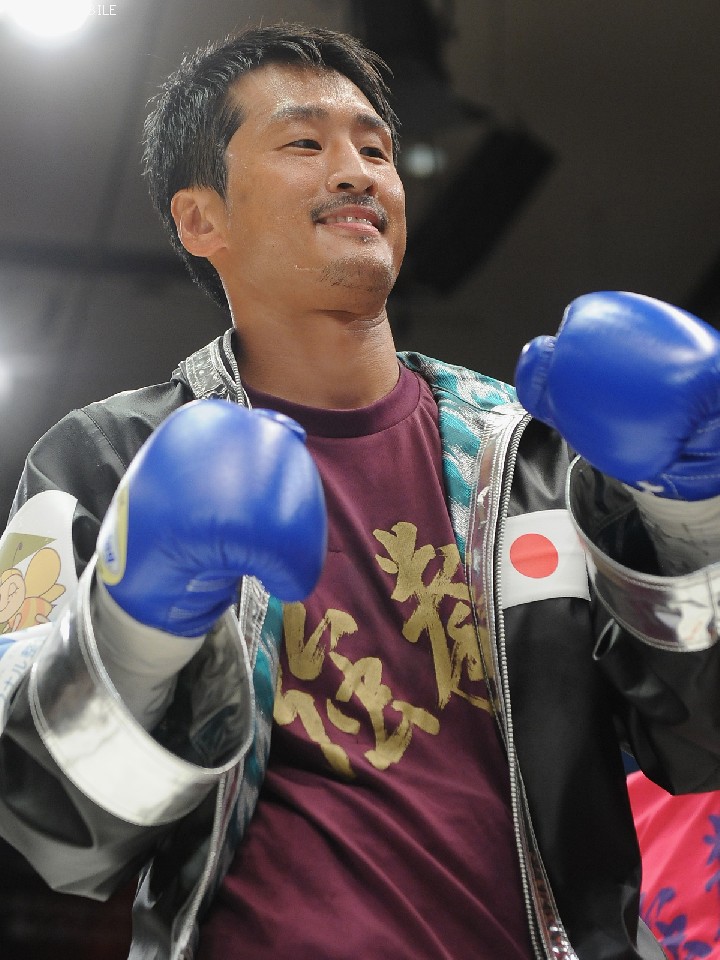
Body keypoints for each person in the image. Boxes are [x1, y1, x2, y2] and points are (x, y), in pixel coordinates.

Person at [0, 21, 719, 960]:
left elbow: (698, 740)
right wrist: (137, 624)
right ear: (200, 220)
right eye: (305, 142)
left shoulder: (541, 461)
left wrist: (693, 510)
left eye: (376, 149)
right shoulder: (104, 459)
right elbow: (43, 828)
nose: (357, 172)